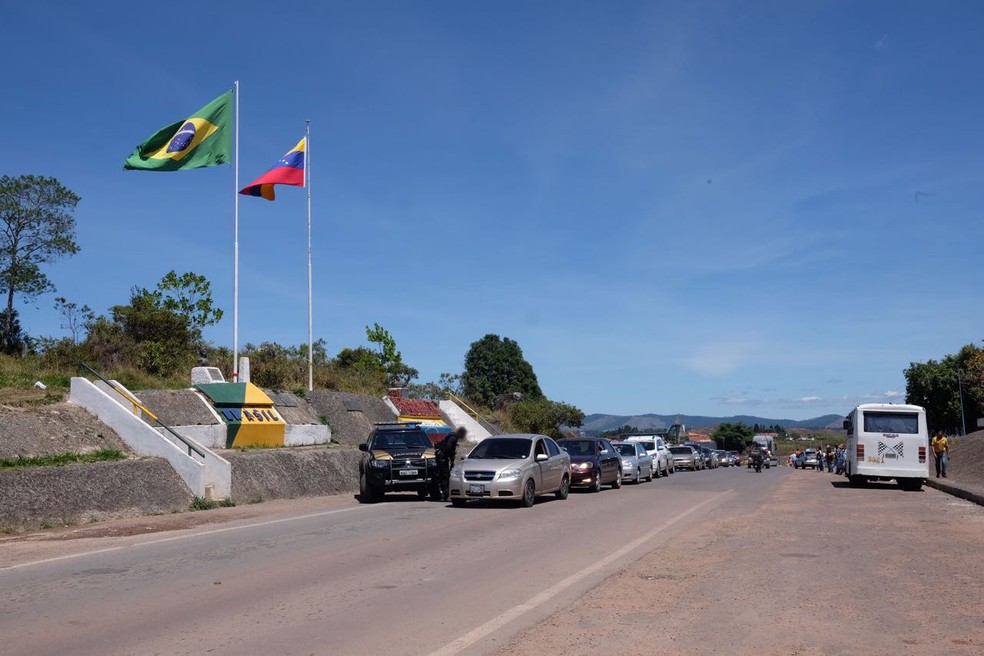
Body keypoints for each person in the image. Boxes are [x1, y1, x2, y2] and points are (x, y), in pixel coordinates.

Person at [435, 426, 466, 500]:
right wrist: (452, 454)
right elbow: (448, 448)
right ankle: (446, 495)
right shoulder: (453, 438)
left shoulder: (452, 437)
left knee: (445, 475)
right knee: (445, 476)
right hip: (442, 458)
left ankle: (445, 493)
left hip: (442, 457)